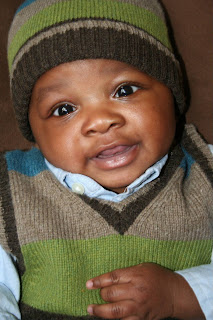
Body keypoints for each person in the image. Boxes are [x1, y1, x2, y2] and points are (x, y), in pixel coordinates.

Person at [0, 0, 212, 319]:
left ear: (171, 92)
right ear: (34, 130)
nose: (100, 121)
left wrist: (181, 293)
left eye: (124, 90)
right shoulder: (9, 191)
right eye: (64, 109)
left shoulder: (205, 172)